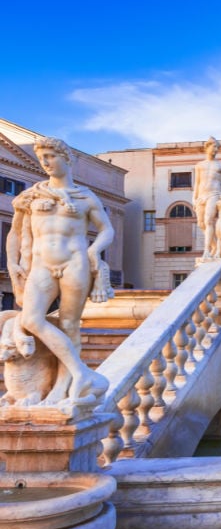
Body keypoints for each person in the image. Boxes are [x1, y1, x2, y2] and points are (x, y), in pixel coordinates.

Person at [6, 137, 114, 404]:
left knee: (69, 325)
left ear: (67, 159)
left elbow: (107, 230)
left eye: (51, 156)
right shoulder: (31, 195)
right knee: (31, 319)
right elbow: (16, 233)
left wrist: (93, 251)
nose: (45, 162)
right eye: (42, 157)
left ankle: (60, 389)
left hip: (74, 262)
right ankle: (81, 373)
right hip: (41, 264)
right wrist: (11, 261)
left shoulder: (86, 197)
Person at [194, 137, 221, 260]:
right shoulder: (199, 165)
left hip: (214, 194)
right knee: (201, 224)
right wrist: (194, 198)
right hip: (201, 196)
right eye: (214, 147)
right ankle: (215, 247)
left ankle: (206, 251)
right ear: (207, 147)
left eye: (217, 148)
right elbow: (197, 183)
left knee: (208, 221)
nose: (216, 150)